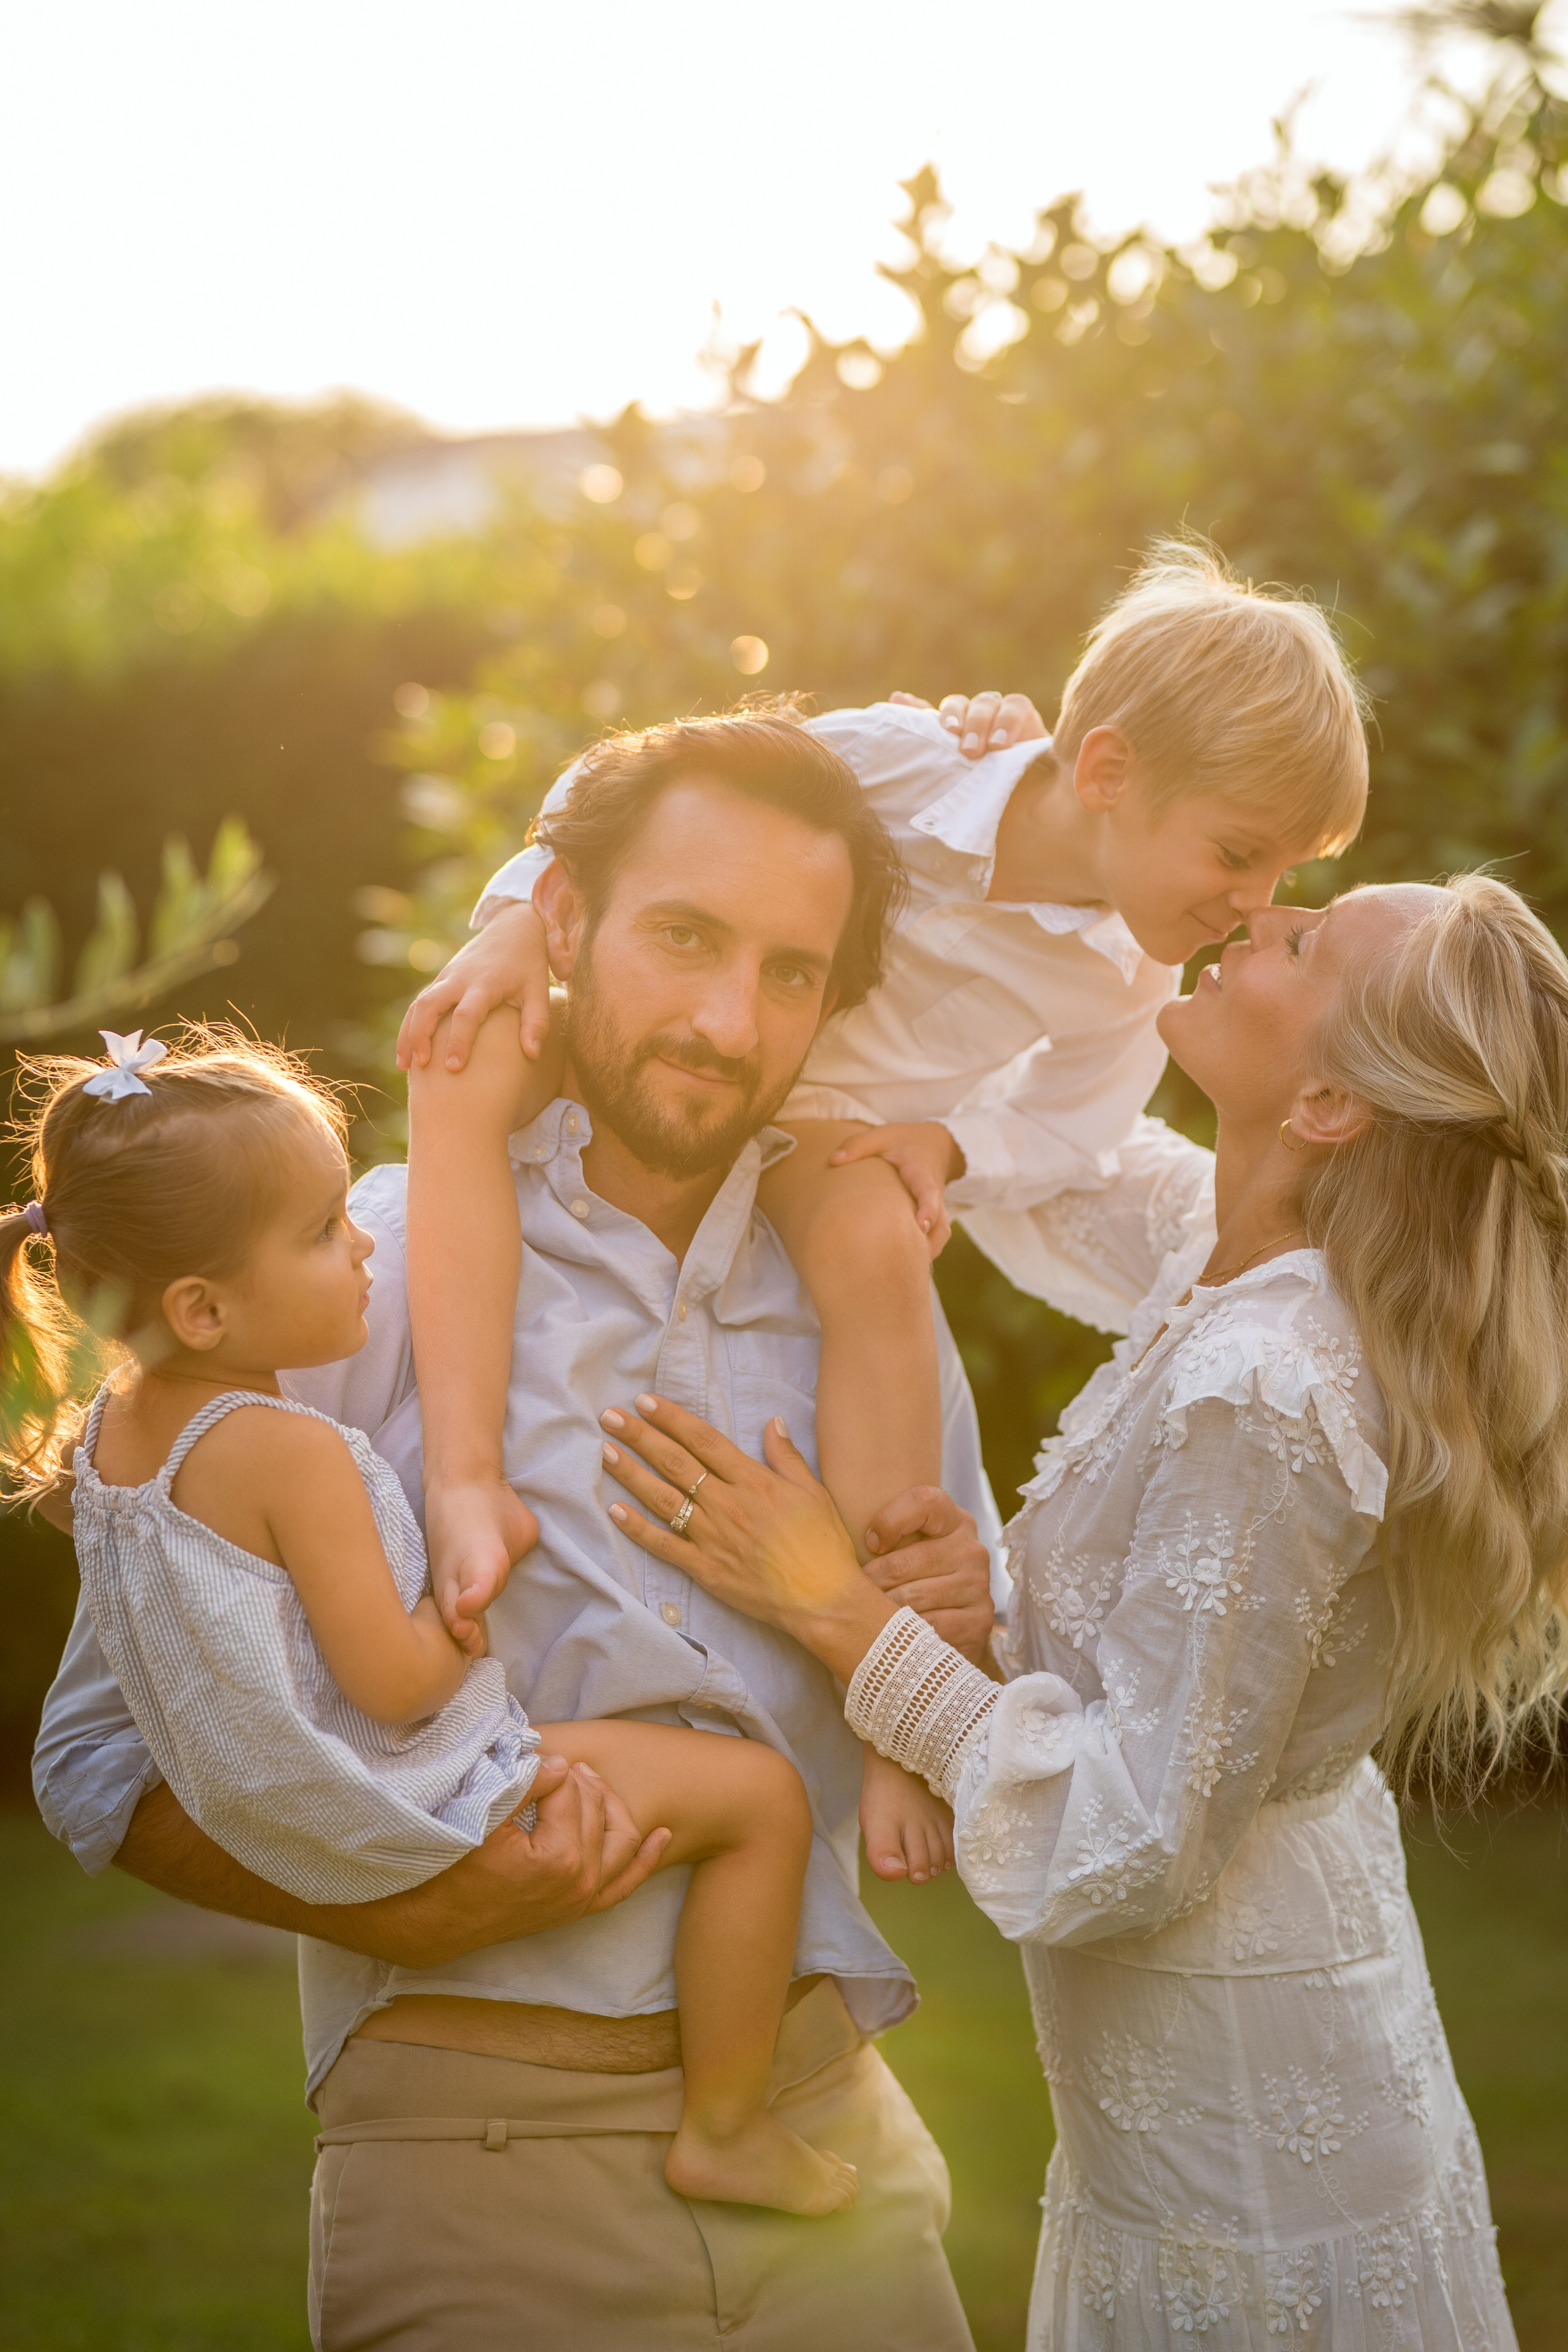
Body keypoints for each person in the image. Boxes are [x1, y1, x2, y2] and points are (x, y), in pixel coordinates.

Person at [32, 731, 999, 2349]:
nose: (726, 1020)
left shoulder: (867, 1290)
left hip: (836, 2157)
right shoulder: (357, 1273)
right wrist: (403, 1909)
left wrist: (950, 1628)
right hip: (478, 2176)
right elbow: (93, 1762)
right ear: (561, 924)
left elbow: (968, 1743)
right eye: (685, 937)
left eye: (789, 972)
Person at [589, 872, 1562, 2346]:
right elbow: (1030, 1144)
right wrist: (1017, 810)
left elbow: (1123, 1838)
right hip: (1211, 2078)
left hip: (1239, 2142)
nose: (1260, 920)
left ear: (1325, 1107)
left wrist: (839, 1613)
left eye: (1302, 945)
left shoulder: (1270, 1385)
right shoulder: (1220, 1259)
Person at [397, 541, 1368, 1883]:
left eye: (1279, 869)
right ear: (1103, 773)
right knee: (469, 1050)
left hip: (818, 1118)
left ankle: (891, 1714)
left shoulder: (1126, 976)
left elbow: (1070, 1126)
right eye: (1237, 852)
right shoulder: (908, 758)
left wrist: (945, 1143)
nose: (1251, 903)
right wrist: (514, 917)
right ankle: (461, 1475)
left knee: (871, 1254)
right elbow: (632, 784)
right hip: (681, 1038)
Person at [4, 1028, 857, 2218]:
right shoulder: (291, 1454)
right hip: (417, 1786)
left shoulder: (107, 1442)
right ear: (199, 1310)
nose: (362, 1242)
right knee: (758, 1801)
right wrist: (473, 1598)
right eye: (318, 1233)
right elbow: (398, 1683)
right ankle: (726, 2124)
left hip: (291, 1809)